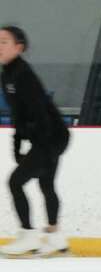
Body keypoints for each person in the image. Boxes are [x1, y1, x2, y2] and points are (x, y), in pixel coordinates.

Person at [1, 26, 70, 258]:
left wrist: (45, 152)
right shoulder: (7, 74)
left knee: (15, 181)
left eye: (3, 42)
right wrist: (17, 145)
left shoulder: (23, 74)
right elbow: (18, 114)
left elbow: (40, 113)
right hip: (46, 136)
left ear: (19, 47)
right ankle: (55, 237)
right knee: (46, 184)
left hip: (51, 136)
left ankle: (28, 236)